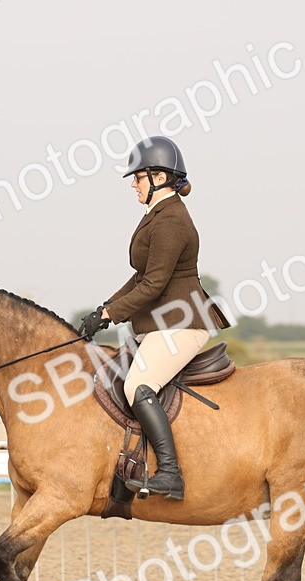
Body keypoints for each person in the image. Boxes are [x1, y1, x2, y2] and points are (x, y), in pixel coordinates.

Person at [78, 136, 230, 501]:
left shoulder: (171, 220)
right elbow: (140, 276)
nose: (134, 183)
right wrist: (103, 309)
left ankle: (171, 474)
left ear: (159, 176)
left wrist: (112, 314)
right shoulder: (158, 215)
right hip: (163, 323)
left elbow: (154, 283)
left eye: (139, 177)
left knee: (137, 387)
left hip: (182, 324)